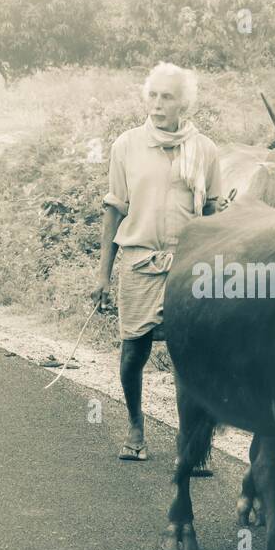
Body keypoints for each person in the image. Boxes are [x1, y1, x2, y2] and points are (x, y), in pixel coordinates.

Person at [92, 62, 222, 462]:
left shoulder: (205, 150)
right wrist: (102, 275)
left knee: (192, 357)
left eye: (167, 97)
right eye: (153, 95)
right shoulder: (126, 146)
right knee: (134, 351)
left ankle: (192, 443)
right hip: (139, 261)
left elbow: (213, 213)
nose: (158, 104)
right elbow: (114, 211)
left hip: (188, 265)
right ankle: (135, 425)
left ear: (184, 103)